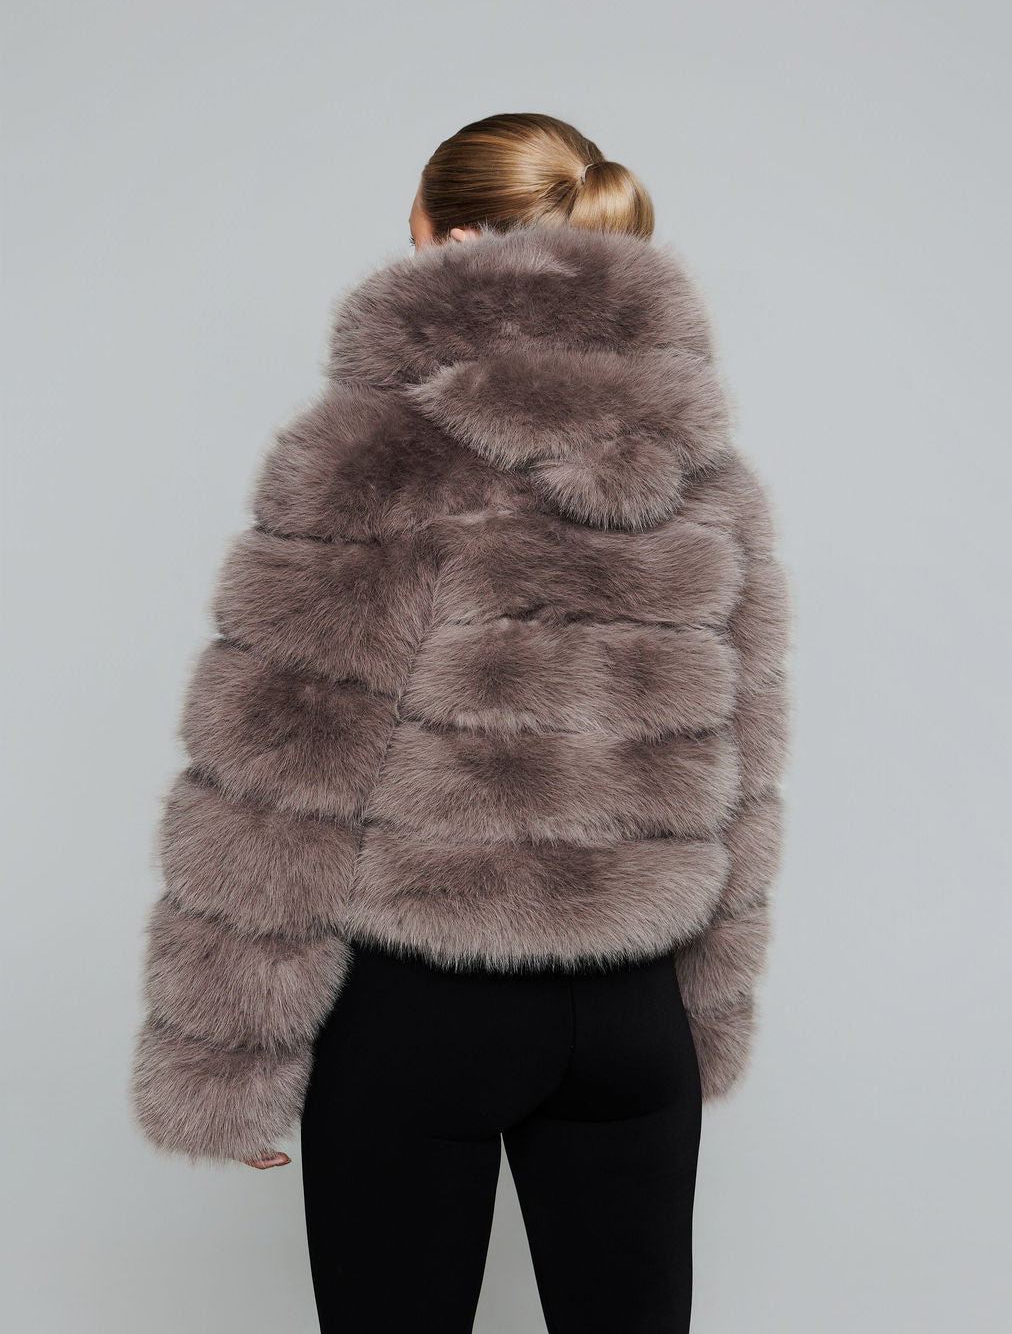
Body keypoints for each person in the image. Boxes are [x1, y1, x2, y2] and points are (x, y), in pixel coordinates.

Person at [130, 111, 794, 1333]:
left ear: (451, 238)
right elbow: (743, 771)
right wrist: (706, 1010)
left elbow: (277, 766)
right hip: (635, 1013)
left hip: (424, 1007)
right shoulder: (712, 478)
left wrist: (223, 1056)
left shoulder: (371, 455)